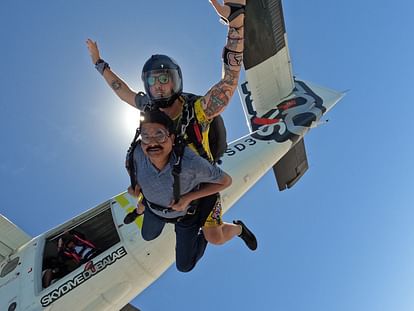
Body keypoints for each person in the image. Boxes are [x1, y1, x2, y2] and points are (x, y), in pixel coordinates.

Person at [86, 0, 251, 247]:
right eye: (152, 81)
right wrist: (100, 64)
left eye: (164, 78)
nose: (158, 86)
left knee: (215, 238)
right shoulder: (149, 109)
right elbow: (123, 91)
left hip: (198, 183)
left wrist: (236, 23)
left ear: (175, 80)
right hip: (166, 180)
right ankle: (147, 206)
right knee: (144, 196)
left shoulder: (198, 111)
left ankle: (238, 228)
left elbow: (229, 80)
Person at [130, 110, 255, 272]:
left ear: (172, 138)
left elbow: (226, 181)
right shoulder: (137, 153)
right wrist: (137, 185)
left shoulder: (190, 163)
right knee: (147, 235)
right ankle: (147, 205)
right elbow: (131, 166)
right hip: (155, 209)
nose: (152, 142)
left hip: (187, 215)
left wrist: (188, 198)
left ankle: (239, 229)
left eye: (159, 135)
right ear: (141, 140)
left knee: (193, 258)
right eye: (146, 136)